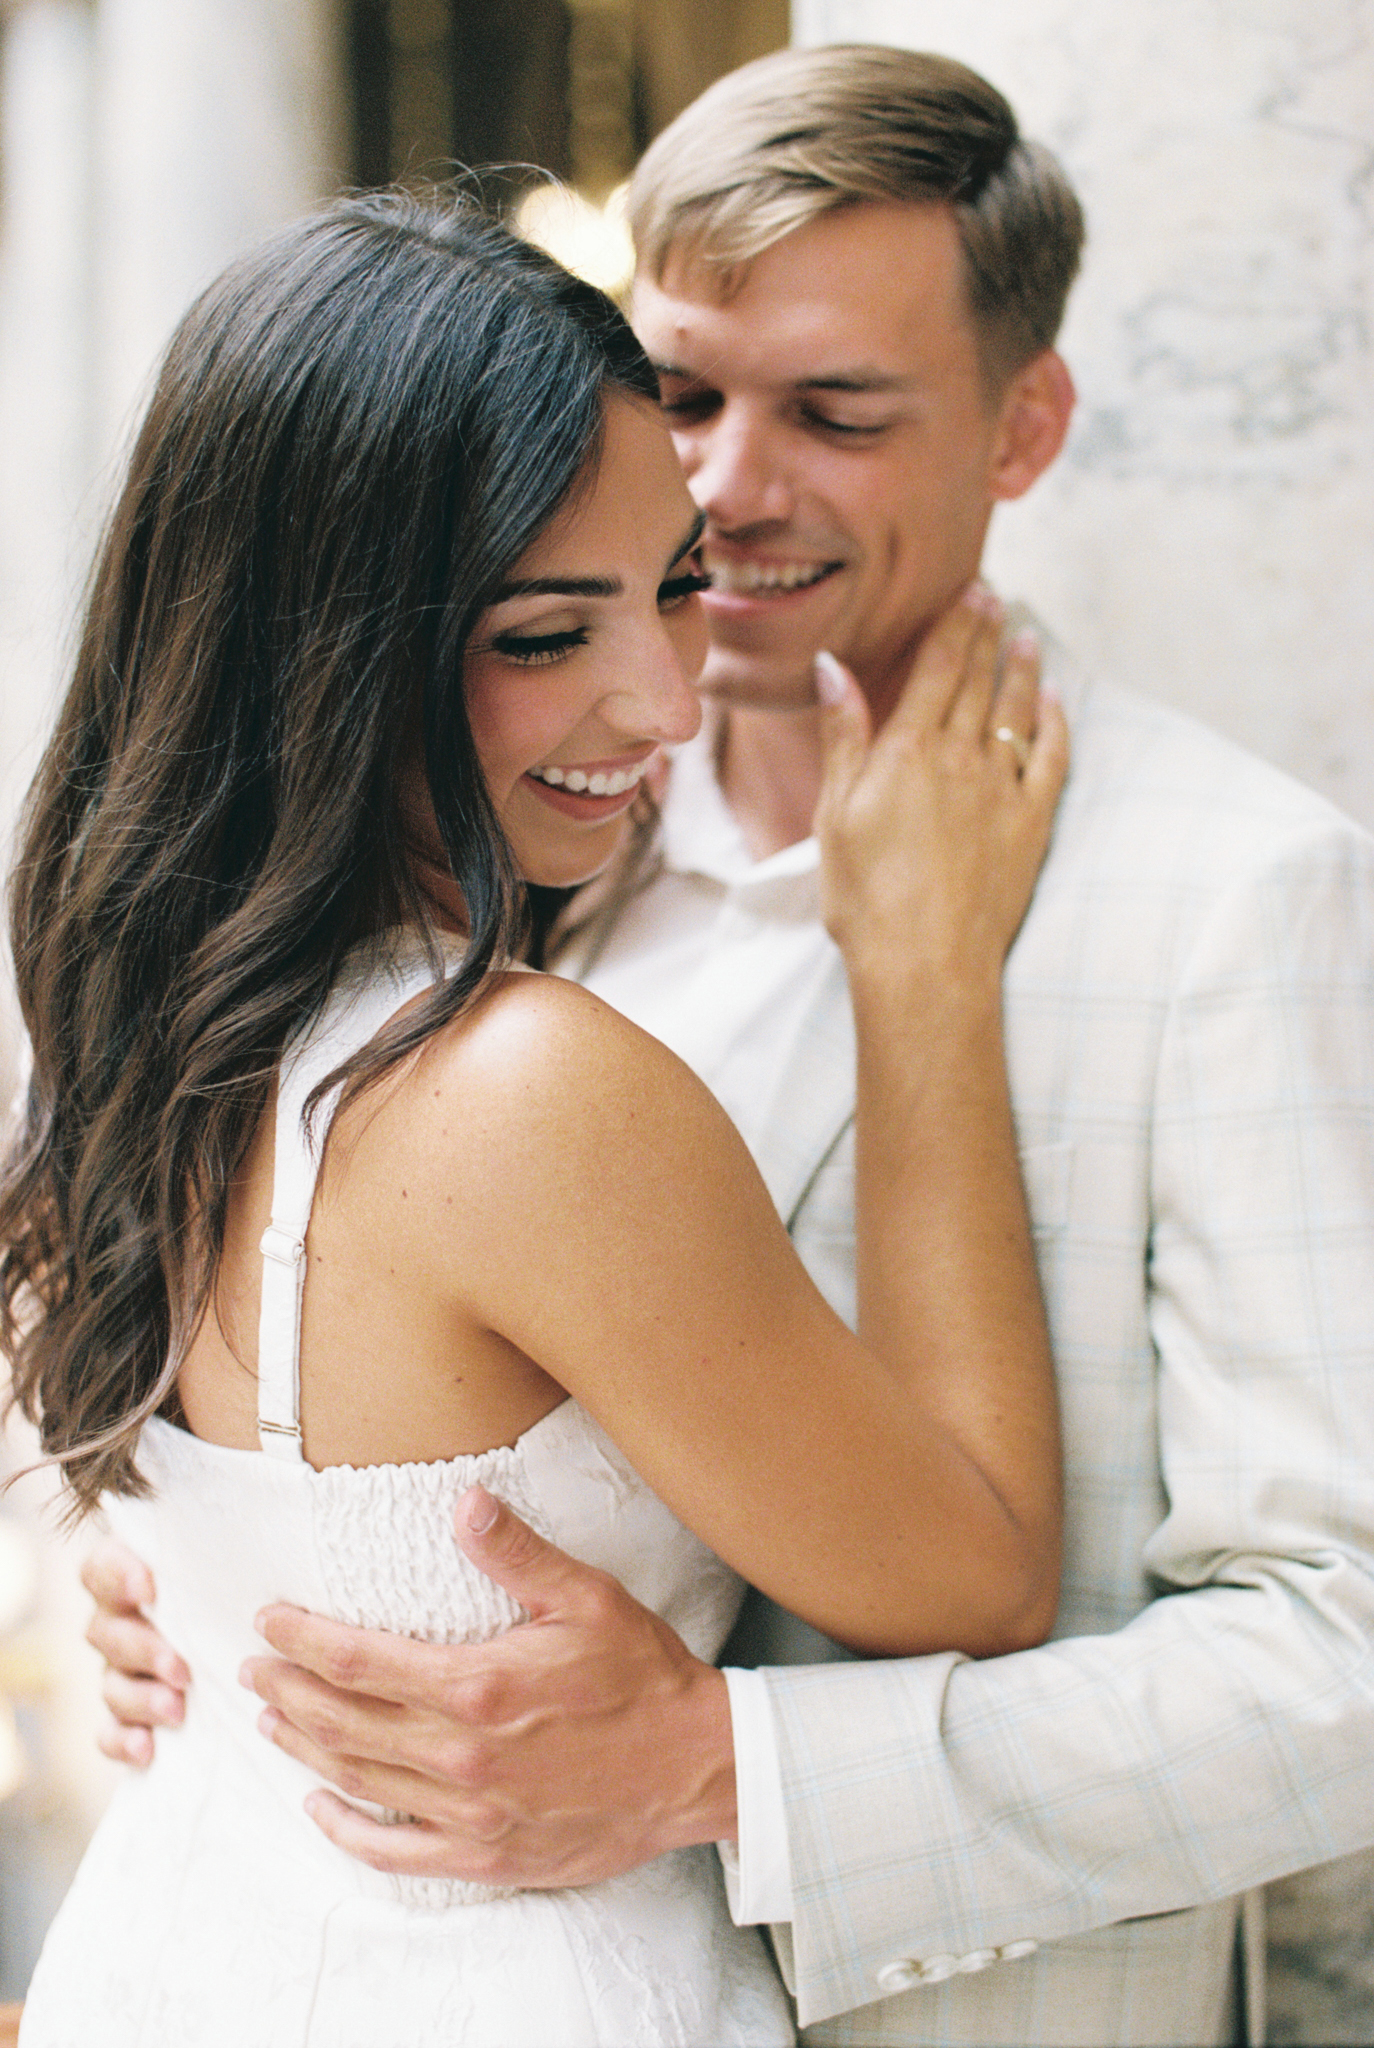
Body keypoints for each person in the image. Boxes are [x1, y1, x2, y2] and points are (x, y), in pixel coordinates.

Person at [87, 45, 1374, 2048]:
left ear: (1026, 425)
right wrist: (208, 1596)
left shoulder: (1228, 894)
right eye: (682, 395)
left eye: (837, 414)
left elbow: (1345, 1669)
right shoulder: (490, 857)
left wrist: (730, 1771)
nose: (732, 486)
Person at [4, 188, 1069, 2046]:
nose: (660, 697)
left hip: (172, 1965)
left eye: (669, 585)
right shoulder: (518, 1085)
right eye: (541, 634)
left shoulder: (157, 1015)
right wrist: (921, 979)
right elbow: (971, 1574)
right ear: (320, 645)